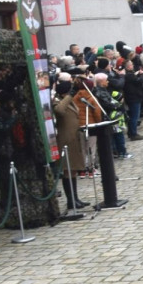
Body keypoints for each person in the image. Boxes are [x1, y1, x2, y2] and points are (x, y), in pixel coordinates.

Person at [52, 76, 89, 209]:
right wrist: (69, 96)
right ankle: (70, 200)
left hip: (74, 138)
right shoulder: (57, 101)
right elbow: (60, 111)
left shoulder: (69, 101)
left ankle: (75, 198)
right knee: (67, 169)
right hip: (65, 139)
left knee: (73, 170)